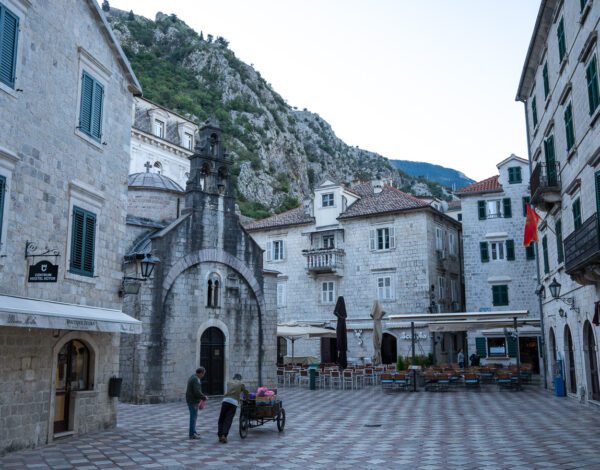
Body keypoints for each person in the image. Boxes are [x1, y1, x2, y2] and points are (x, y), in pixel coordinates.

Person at [217, 373, 249, 443]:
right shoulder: (241, 384)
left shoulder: (229, 382)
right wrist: (247, 399)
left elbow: (230, 392)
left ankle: (220, 435)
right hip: (233, 403)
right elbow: (245, 392)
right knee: (228, 420)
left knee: (221, 419)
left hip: (225, 401)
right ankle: (224, 436)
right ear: (240, 378)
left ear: (234, 378)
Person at [186, 367, 207, 439]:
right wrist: (203, 397)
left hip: (191, 399)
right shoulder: (195, 379)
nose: (203, 376)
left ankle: (193, 431)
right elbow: (197, 391)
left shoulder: (193, 376)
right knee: (193, 417)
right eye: (203, 374)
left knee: (194, 417)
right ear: (200, 373)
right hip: (193, 401)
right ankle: (192, 434)